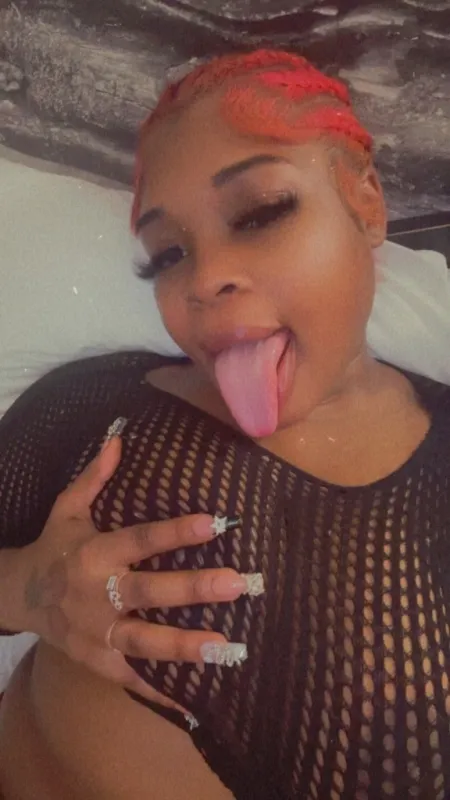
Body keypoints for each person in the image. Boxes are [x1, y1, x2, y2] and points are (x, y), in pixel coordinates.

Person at [0, 48, 449, 800]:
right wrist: (29, 589)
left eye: (261, 212)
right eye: (168, 254)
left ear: (367, 203)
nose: (204, 279)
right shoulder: (97, 412)